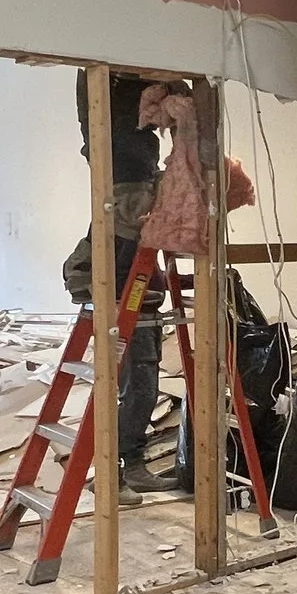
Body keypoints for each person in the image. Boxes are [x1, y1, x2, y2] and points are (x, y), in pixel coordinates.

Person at [68, 70, 190, 496]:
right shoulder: (127, 179)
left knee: (139, 385)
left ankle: (125, 467)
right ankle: (116, 471)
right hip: (124, 300)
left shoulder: (133, 164)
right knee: (135, 388)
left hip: (137, 297)